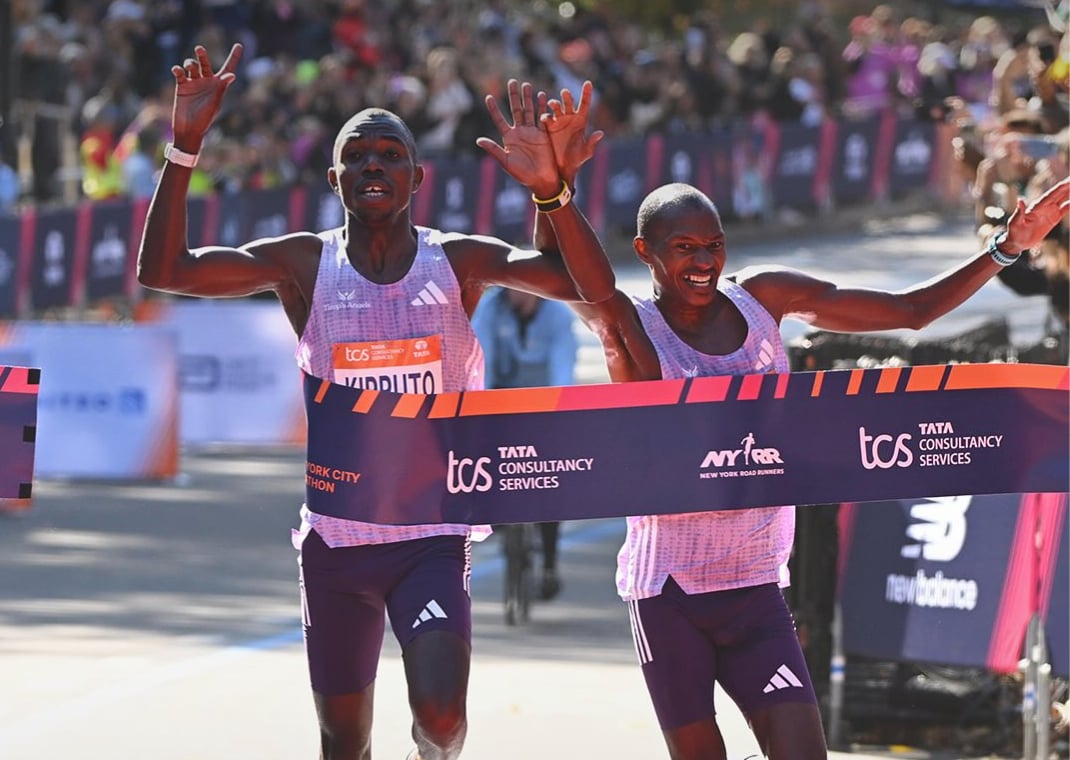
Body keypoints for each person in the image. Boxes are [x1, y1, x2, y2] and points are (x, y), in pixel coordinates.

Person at [538, 93, 1069, 760]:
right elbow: (589, 286)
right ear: (646, 252)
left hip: (757, 586)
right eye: (683, 249)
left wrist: (1005, 249)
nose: (703, 263)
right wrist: (555, 195)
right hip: (669, 591)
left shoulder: (764, 298)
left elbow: (909, 311)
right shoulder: (633, 333)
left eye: (714, 245)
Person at [136, 43, 609, 760]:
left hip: (430, 537)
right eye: (357, 157)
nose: (374, 167)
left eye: (390, 155)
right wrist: (186, 148)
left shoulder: (458, 261)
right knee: (343, 743)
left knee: (443, 715)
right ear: (334, 178)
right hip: (339, 545)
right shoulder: (303, 263)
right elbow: (163, 270)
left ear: (417, 176)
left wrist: (553, 192)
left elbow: (582, 286)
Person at [472, 286, 579, 600]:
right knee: (484, 451)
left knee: (549, 481)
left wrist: (559, 411)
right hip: (501, 396)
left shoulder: (557, 314)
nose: (511, 296)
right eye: (507, 290)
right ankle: (498, 515)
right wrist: (479, 411)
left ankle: (549, 565)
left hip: (544, 399)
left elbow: (563, 365)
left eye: (518, 291)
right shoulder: (492, 308)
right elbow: (482, 359)